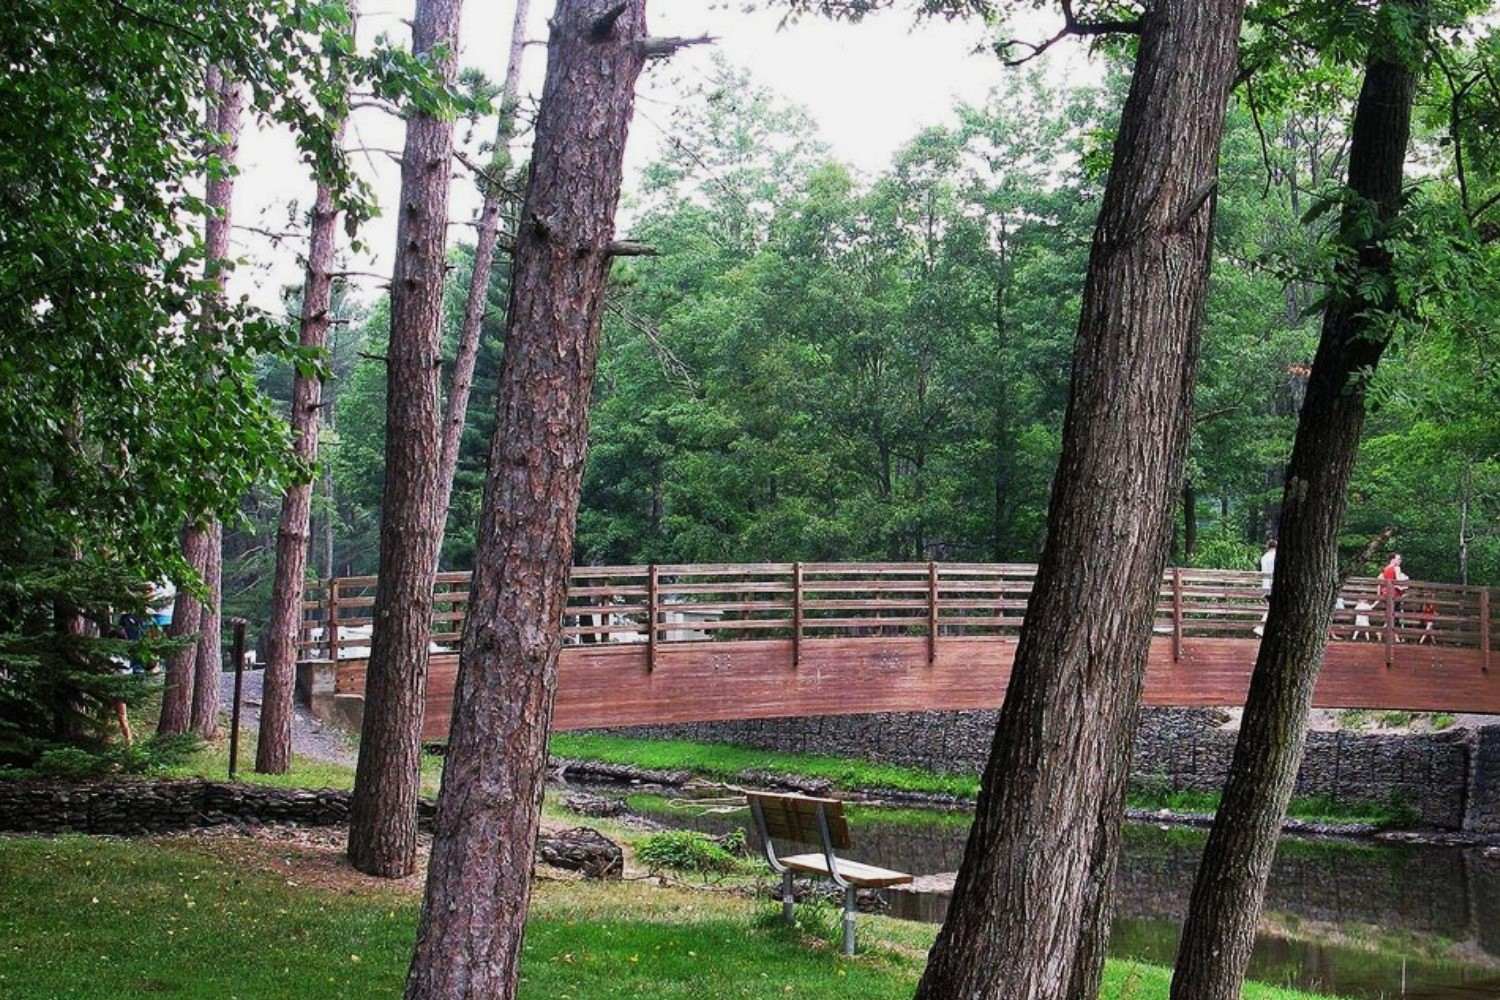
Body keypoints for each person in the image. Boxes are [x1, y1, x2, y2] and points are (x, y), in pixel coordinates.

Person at [1254, 538, 1276, 637]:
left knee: (1270, 608)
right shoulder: (1275, 556)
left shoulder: (1264, 557)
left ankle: (1262, 629)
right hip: (1272, 585)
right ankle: (1261, 628)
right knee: (1272, 608)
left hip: (1265, 585)